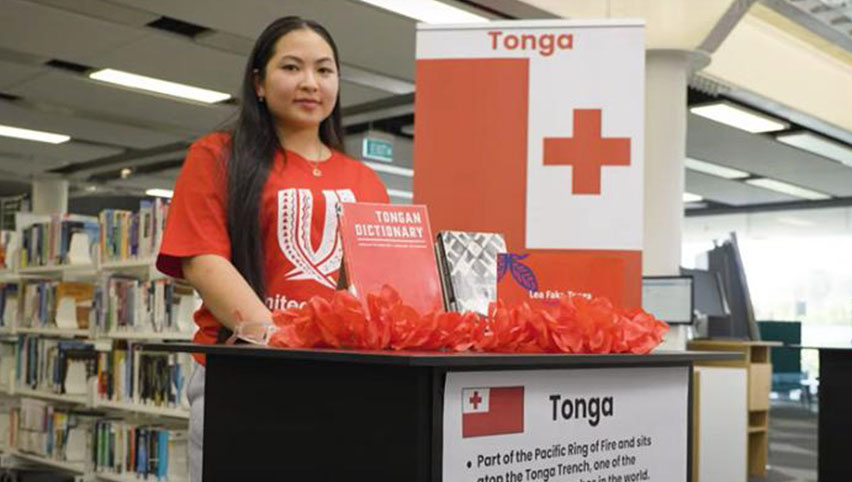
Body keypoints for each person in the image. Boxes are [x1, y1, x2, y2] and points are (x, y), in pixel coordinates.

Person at [156, 16, 389, 481]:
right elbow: (203, 261)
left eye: (324, 70)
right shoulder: (217, 155)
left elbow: (379, 285)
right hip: (247, 376)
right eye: (291, 67)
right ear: (259, 83)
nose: (310, 83)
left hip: (345, 382)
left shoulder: (365, 180)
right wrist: (283, 344)